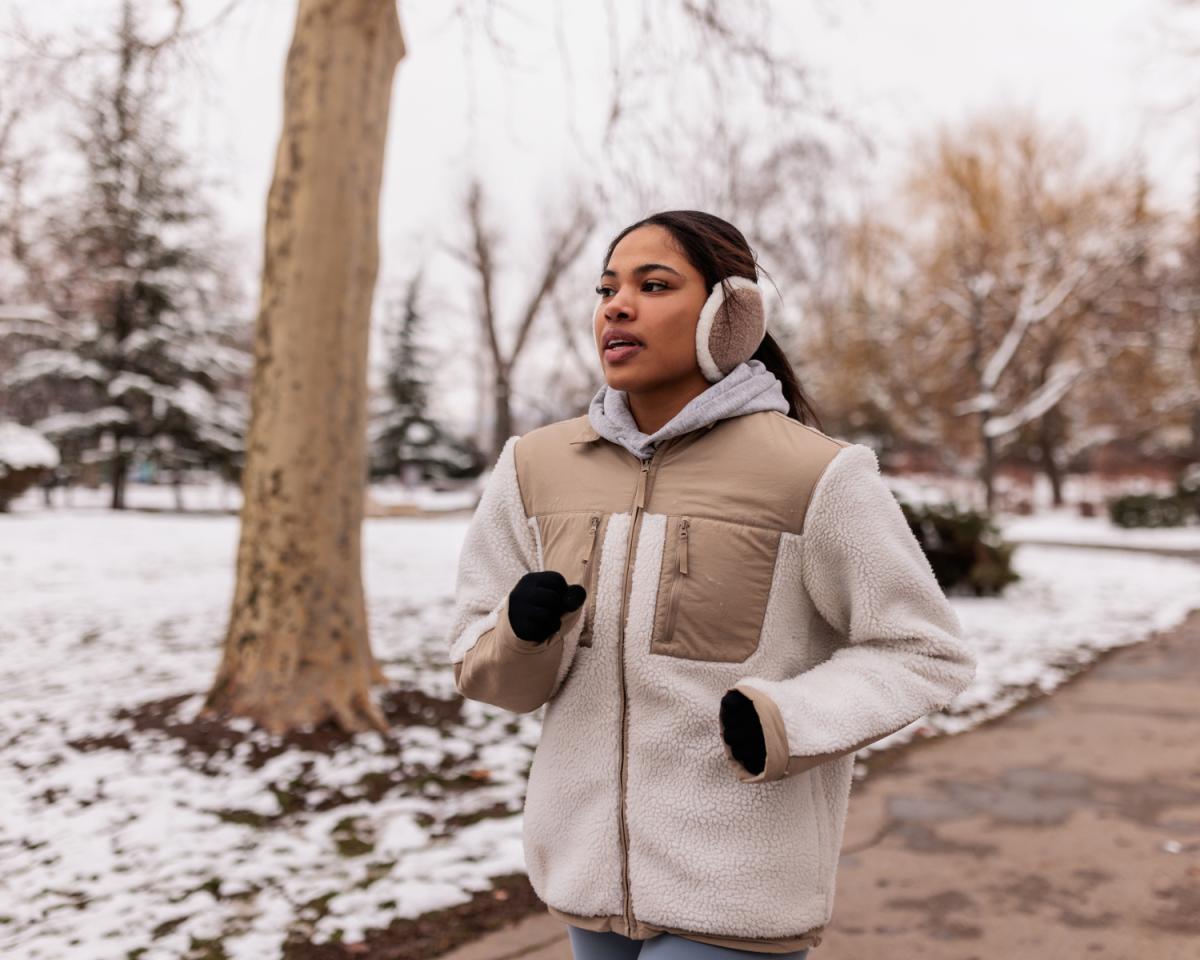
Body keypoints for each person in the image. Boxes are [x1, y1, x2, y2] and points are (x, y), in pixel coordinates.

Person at [446, 211, 975, 960]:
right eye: (606, 288)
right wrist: (520, 634)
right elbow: (481, 664)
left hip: (739, 891)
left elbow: (923, 651)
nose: (616, 306)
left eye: (652, 285)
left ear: (731, 314)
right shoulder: (532, 466)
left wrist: (790, 719)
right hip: (586, 886)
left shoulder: (817, 473)